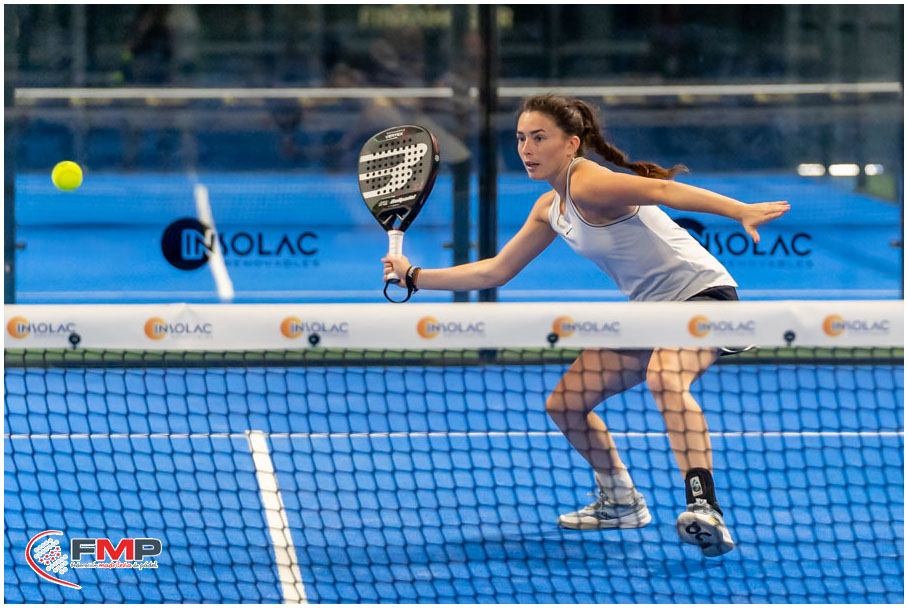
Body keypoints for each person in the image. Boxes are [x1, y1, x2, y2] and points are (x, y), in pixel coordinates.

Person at [382, 94, 790, 557]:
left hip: (703, 298)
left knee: (665, 378)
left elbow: (662, 192)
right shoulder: (549, 207)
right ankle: (620, 501)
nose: (527, 149)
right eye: (521, 138)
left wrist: (738, 210)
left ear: (571, 143)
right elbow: (495, 271)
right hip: (651, 311)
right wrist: (414, 277)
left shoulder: (588, 182)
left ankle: (705, 507)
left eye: (540, 138)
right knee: (566, 404)